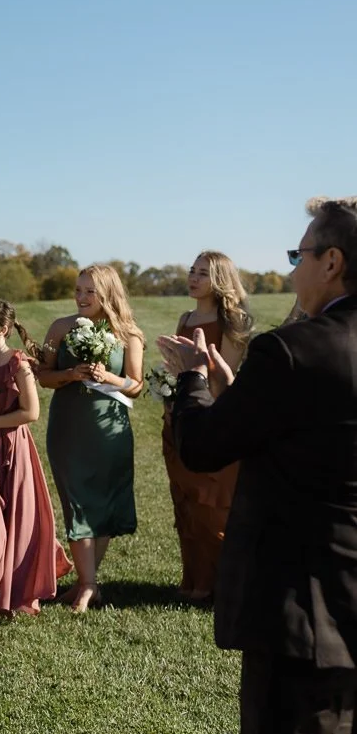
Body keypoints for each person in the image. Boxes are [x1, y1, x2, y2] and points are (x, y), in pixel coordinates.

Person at [161, 198, 357, 734]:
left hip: (307, 612)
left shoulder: (295, 349)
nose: (293, 267)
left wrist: (194, 381)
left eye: (298, 253)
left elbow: (204, 447)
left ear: (331, 262)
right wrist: (238, 396)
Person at [38, 264, 144, 613]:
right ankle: (87, 584)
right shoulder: (60, 328)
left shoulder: (129, 334)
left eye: (90, 291)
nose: (81, 297)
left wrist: (109, 378)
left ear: (108, 294)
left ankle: (88, 583)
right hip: (68, 428)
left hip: (109, 428)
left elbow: (136, 384)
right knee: (77, 501)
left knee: (104, 502)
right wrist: (70, 374)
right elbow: (44, 377)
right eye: (78, 290)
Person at [0, 300, 70, 617]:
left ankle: (11, 591)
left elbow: (31, 413)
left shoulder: (18, 364)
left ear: (3, 329)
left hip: (11, 449)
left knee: (12, 518)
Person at [161, 251, 253, 603]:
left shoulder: (233, 321)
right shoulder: (185, 317)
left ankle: (221, 584)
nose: (193, 278)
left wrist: (189, 386)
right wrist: (169, 389)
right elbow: (177, 366)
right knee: (184, 501)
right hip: (179, 415)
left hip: (212, 419)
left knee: (211, 505)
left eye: (203, 273)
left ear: (219, 279)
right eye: (192, 271)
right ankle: (194, 581)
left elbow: (222, 379)